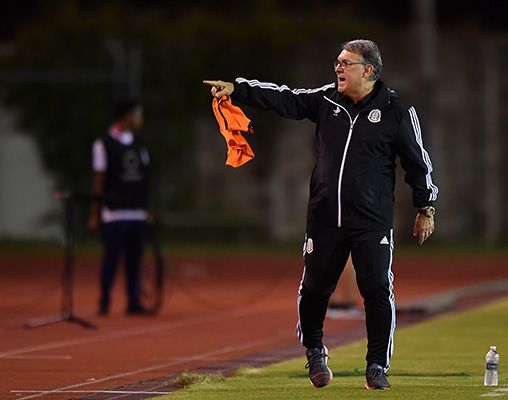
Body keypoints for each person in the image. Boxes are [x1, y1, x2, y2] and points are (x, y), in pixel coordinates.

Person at [204, 39, 438, 391]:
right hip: (325, 218)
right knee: (314, 290)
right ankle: (314, 351)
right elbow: (286, 98)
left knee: (376, 290)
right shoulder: (327, 99)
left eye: (346, 63)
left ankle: (376, 366)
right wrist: (238, 90)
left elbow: (418, 164)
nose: (338, 68)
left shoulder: (396, 111)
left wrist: (425, 208)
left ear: (368, 70)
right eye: (337, 62)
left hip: (371, 221)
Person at [88, 99, 153, 316]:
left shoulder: (140, 143)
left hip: (137, 211)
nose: (140, 119)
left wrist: (146, 208)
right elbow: (99, 179)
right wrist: (95, 213)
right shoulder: (103, 144)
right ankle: (104, 300)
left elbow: (144, 179)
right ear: (126, 116)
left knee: (135, 260)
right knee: (111, 259)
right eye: (137, 114)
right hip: (115, 212)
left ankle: (133, 301)